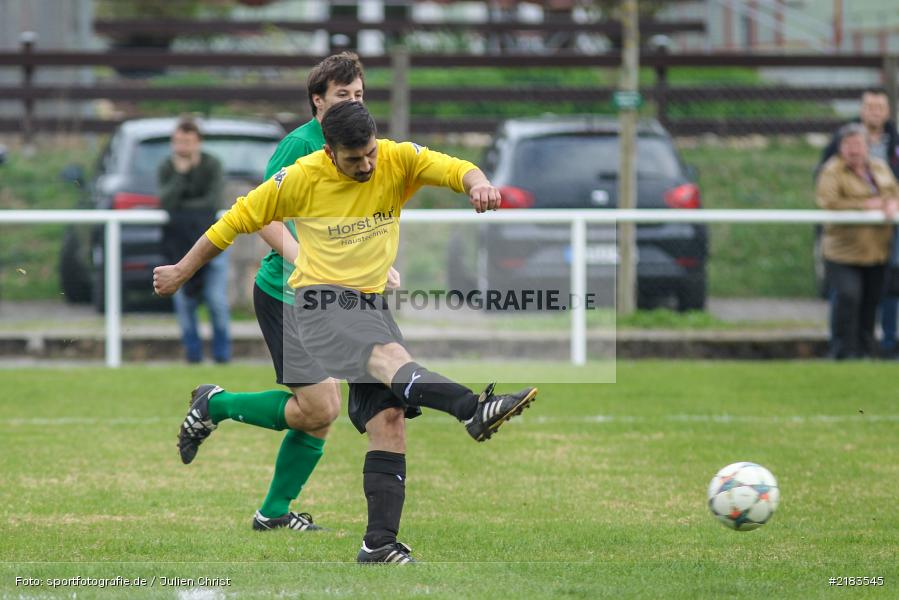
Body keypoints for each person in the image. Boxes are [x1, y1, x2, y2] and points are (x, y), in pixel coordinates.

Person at [153, 101, 538, 564]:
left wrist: (480, 185)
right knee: (388, 363)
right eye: (354, 159)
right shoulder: (301, 175)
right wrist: (181, 270)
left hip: (370, 302)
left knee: (388, 421)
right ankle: (473, 409)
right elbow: (234, 221)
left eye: (370, 153)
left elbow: (458, 169)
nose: (367, 165)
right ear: (331, 154)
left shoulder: (396, 157)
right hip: (320, 304)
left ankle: (378, 543)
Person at [173, 53, 402, 536]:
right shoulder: (298, 146)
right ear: (318, 101)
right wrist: (314, 262)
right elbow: (263, 218)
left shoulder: (362, 147)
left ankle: (274, 512)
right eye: (343, 96)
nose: (352, 102)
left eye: (359, 95)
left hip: (330, 297)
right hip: (288, 294)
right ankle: (214, 405)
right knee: (322, 409)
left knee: (319, 415)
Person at [819, 88, 899, 356]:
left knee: (874, 299)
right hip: (844, 248)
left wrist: (892, 203)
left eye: (860, 145)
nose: (855, 150)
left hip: (877, 248)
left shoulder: (881, 164)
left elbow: (894, 191)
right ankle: (842, 350)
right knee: (848, 297)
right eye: (850, 145)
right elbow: (827, 200)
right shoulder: (833, 168)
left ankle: (871, 349)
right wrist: (865, 205)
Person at [158, 117, 231, 364]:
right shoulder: (168, 167)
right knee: (184, 303)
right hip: (179, 245)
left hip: (213, 244)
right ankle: (193, 357)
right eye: (178, 141)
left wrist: (183, 209)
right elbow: (166, 201)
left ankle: (222, 357)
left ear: (198, 142)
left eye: (187, 141)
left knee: (216, 301)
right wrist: (181, 174)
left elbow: (212, 202)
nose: (182, 147)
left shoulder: (212, 164)